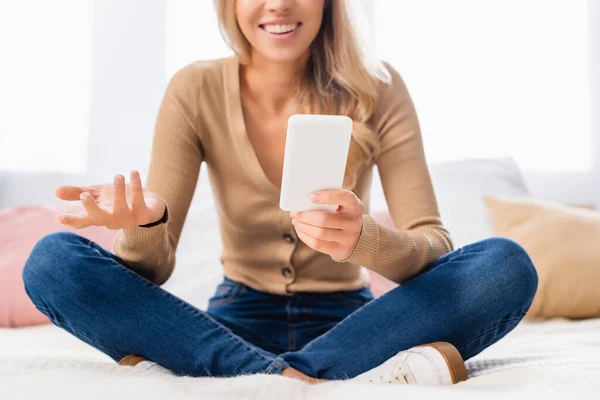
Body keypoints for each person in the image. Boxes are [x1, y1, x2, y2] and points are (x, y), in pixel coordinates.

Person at [22, 0, 538, 386]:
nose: (279, 5)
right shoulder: (194, 89)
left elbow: (434, 247)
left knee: (505, 266)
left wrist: (364, 240)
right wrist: (146, 224)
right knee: (51, 262)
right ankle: (314, 380)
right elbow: (152, 274)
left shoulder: (378, 87)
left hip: (359, 322)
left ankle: (253, 380)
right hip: (233, 320)